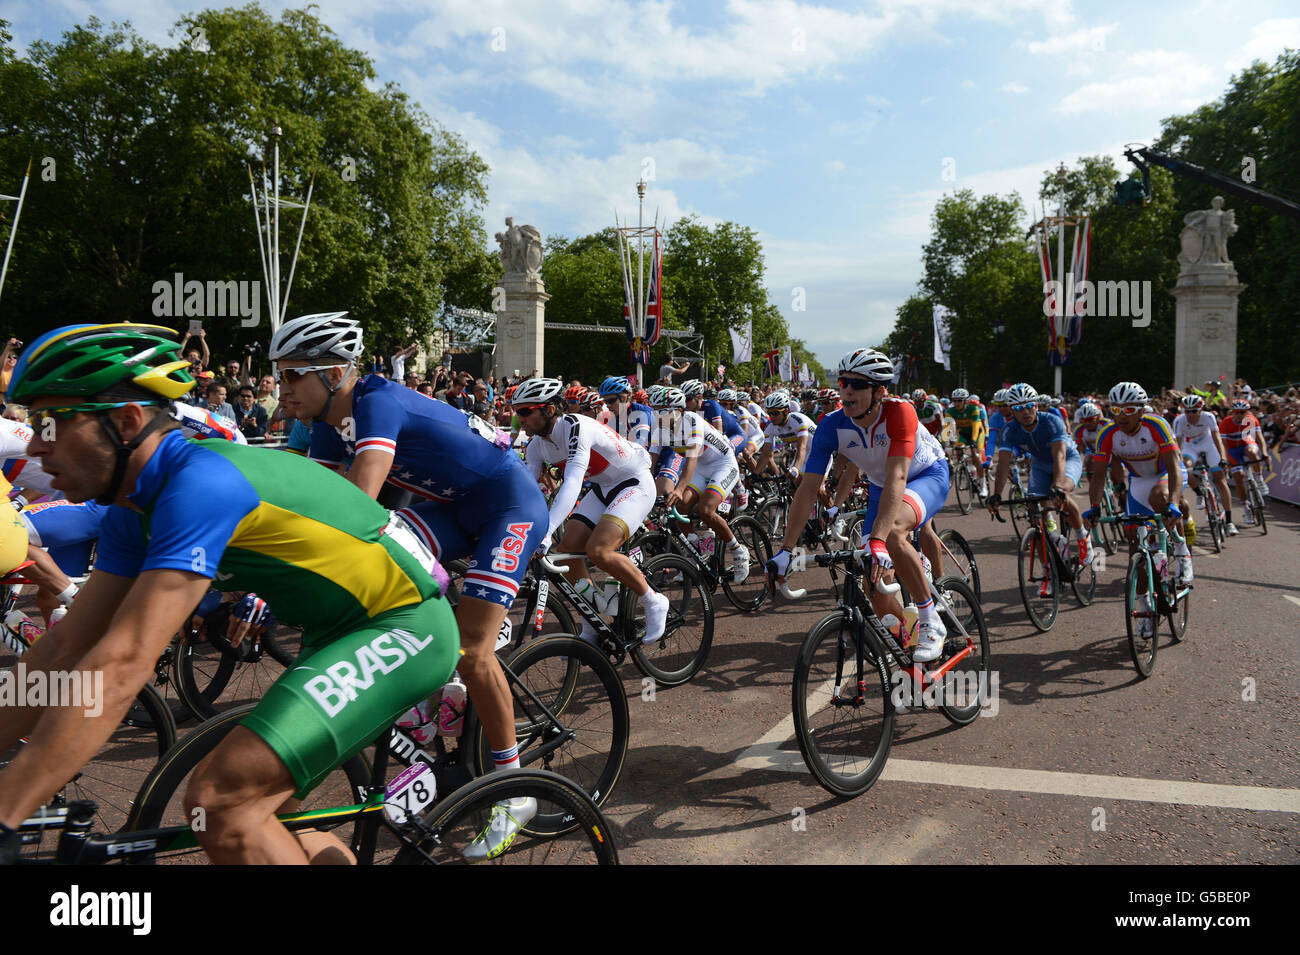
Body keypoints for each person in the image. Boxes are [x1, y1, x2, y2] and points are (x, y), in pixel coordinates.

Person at [0, 322, 459, 865]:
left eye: (50, 423)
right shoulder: (130, 508)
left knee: (219, 801)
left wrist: (8, 811)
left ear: (126, 421)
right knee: (269, 815)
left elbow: (122, 664)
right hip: (336, 631)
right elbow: (64, 648)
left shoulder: (199, 484)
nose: (34, 444)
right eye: (30, 422)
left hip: (404, 626)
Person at [271, 312, 548, 854]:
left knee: (474, 651)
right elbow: (315, 499)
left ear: (334, 373)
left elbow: (357, 499)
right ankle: (429, 685)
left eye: (292, 375)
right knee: (382, 578)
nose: (283, 390)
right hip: (453, 508)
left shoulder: (378, 401)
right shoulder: (329, 422)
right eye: (280, 376)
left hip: (508, 506)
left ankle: (512, 789)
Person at [766, 349, 950, 661]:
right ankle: (907, 641)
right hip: (883, 485)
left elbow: (899, 475)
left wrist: (878, 540)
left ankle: (931, 619)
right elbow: (809, 488)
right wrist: (786, 549)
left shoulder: (899, 411)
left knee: (890, 534)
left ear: (880, 392)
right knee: (874, 583)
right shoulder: (830, 425)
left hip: (925, 475)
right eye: (843, 382)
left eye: (857, 384)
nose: (847, 390)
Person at [513, 378, 668, 644]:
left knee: (599, 550)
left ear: (549, 410)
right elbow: (526, 491)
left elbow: (573, 482)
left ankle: (654, 600)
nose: (519, 419)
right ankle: (592, 623)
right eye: (517, 412)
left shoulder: (575, 426)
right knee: (565, 553)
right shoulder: (537, 444)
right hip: (602, 487)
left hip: (634, 482)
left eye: (526, 411)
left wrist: (547, 530)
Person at [987, 382, 1092, 576]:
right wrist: (996, 495)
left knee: (1061, 494)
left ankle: (1082, 538)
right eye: (1018, 408)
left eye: (1030, 405)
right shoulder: (1010, 430)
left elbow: (1060, 456)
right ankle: (1049, 569)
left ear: (1036, 405)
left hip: (1066, 460)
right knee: (1034, 507)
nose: (1025, 411)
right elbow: (1003, 464)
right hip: (1040, 464)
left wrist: (1058, 486)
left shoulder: (1051, 421)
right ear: (1012, 410)